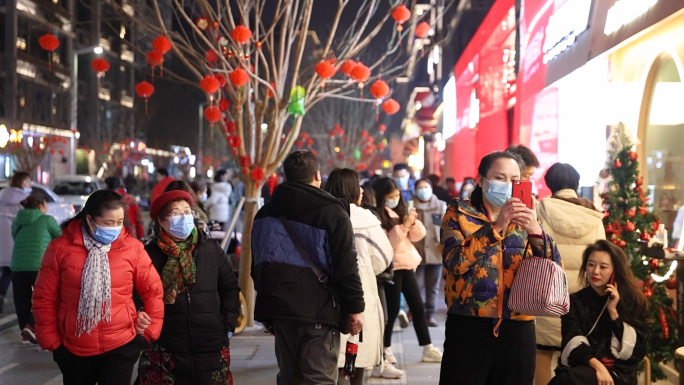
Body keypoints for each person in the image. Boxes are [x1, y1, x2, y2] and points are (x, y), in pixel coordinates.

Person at [439, 150, 561, 385]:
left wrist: (536, 230)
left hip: (518, 326)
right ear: (482, 180)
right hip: (469, 325)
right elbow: (455, 263)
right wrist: (496, 226)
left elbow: (554, 268)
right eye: (499, 178)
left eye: (514, 179)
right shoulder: (458, 213)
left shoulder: (526, 217)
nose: (507, 185)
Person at [251, 151, 365, 384]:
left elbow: (257, 266)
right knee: (319, 378)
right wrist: (355, 308)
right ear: (317, 175)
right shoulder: (333, 212)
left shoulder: (264, 214)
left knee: (289, 378)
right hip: (319, 312)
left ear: (286, 176)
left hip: (280, 311)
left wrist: (269, 310)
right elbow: (346, 267)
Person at [32, 190, 164, 385]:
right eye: (109, 223)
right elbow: (44, 298)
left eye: (119, 222)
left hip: (121, 346)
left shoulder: (132, 248)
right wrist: (52, 342)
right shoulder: (60, 249)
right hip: (74, 348)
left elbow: (153, 291)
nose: (116, 228)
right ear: (89, 219)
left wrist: (148, 332)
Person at [136, 190, 241, 384]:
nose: (183, 218)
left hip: (210, 342)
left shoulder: (209, 248)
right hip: (165, 346)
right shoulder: (149, 254)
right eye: (175, 213)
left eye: (187, 212)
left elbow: (230, 288)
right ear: (161, 221)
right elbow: (136, 296)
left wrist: (227, 324)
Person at [324, 168, 399, 383]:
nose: (362, 191)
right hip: (360, 294)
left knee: (329, 361)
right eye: (358, 186)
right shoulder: (367, 221)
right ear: (351, 190)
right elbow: (384, 259)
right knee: (356, 358)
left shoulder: (320, 217)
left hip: (325, 298)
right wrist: (365, 270)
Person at [535, 163, 607, 385]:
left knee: (543, 353)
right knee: (578, 352)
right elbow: (602, 255)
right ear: (575, 184)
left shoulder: (541, 209)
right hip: (582, 297)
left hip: (549, 293)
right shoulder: (593, 215)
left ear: (550, 184)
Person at [549, 240, 648, 385]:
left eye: (603, 267)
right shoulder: (574, 301)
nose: (595, 271)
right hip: (587, 366)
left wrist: (613, 311)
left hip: (618, 373)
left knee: (565, 380)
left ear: (615, 270)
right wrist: (598, 366)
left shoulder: (632, 301)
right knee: (565, 379)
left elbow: (638, 350)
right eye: (591, 264)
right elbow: (571, 340)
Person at [375, 177, 443, 367]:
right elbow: (389, 243)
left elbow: (417, 236)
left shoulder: (400, 211)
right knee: (393, 309)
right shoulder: (378, 216)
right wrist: (404, 225)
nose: (395, 199)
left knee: (418, 307)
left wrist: (412, 223)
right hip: (392, 268)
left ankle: (427, 346)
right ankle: (385, 349)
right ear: (382, 197)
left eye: (397, 195)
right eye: (391, 196)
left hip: (406, 265)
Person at [10, 194, 61, 344]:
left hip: (18, 265)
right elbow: (60, 238)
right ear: (40, 205)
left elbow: (15, 237)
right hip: (40, 265)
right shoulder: (47, 220)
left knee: (21, 300)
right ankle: (31, 326)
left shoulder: (18, 220)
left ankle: (25, 332)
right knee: (47, 297)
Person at [413, 179, 447, 327]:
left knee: (432, 287)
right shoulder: (410, 206)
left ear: (431, 188)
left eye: (426, 187)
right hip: (416, 253)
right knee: (416, 285)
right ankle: (416, 313)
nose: (423, 190)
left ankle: (430, 314)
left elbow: (446, 229)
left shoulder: (441, 206)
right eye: (420, 188)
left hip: (435, 253)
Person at [0, 171, 32, 313]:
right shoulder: (25, 199)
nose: (29, 185)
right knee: (13, 271)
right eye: (27, 182)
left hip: (2, 238)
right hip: (15, 239)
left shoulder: (2, 195)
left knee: (7, 270)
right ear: (20, 182)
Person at [105, 176, 145, 240]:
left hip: (112, 238)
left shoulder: (107, 199)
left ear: (109, 186)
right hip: (131, 237)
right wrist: (141, 236)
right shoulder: (131, 199)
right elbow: (139, 220)